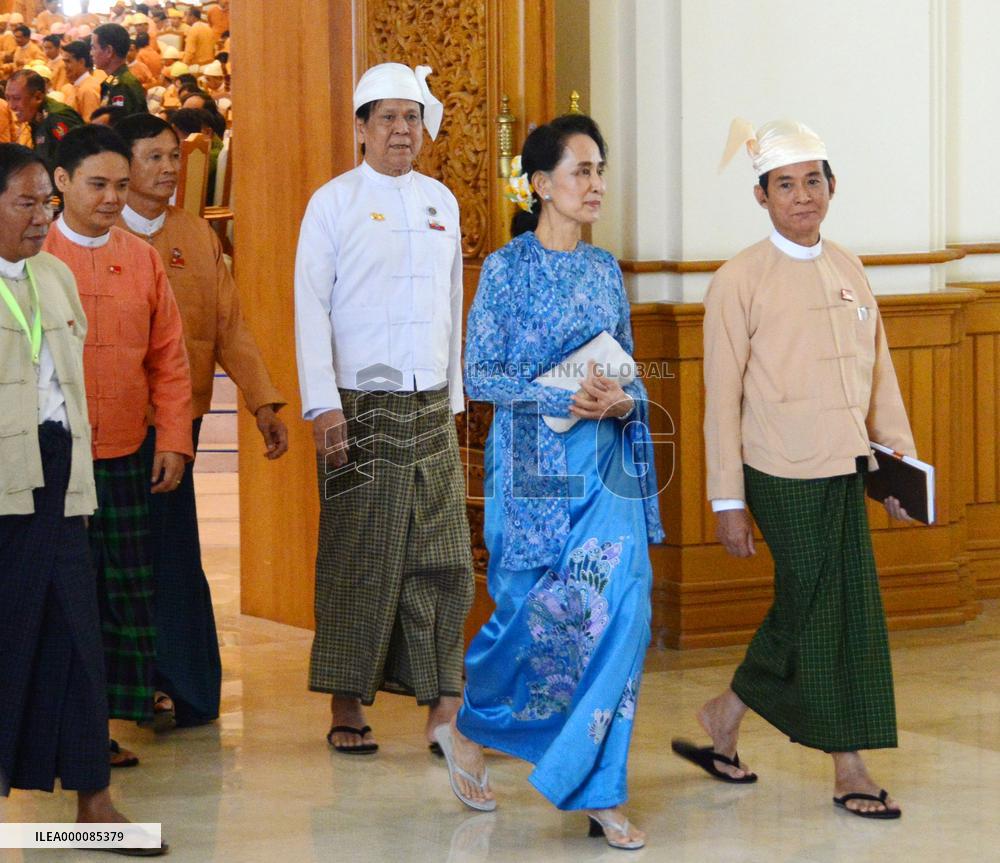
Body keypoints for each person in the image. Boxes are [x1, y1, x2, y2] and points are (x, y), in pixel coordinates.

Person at [673, 118, 917, 820]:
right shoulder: (737, 280)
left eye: (813, 180)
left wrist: (897, 471)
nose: (802, 195)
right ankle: (849, 766)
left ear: (832, 187)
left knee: (818, 605)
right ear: (761, 196)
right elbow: (719, 401)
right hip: (778, 472)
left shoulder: (848, 267)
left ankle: (725, 714)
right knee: (825, 612)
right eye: (786, 184)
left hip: (847, 467)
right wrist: (726, 499)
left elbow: (882, 379)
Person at [437, 114, 664, 851]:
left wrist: (622, 400)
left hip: (605, 465)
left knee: (622, 614)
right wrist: (558, 394)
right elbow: (480, 373)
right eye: (581, 171)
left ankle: (599, 788)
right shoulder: (507, 268)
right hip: (534, 464)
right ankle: (469, 726)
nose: (596, 184)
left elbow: (624, 359)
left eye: (601, 170)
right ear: (540, 184)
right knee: (535, 616)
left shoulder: (603, 269)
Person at [294, 62, 473, 755]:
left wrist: (454, 398)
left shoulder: (442, 202)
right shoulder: (332, 203)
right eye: (388, 118)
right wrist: (321, 405)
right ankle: (346, 703)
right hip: (357, 406)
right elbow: (310, 305)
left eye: (412, 117)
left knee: (445, 556)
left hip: (430, 404)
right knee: (358, 556)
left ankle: (442, 709)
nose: (402, 130)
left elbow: (451, 304)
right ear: (362, 127)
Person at [0, 142, 169, 857]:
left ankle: (94, 801)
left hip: (59, 474)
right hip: (3, 483)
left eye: (46, 202)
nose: (42, 218)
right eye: (25, 203)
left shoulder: (55, 277)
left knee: (77, 634)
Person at [115, 112, 288, 729]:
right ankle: (126, 690)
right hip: (107, 429)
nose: (168, 169)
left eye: (172, 157)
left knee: (174, 557)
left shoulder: (195, 235)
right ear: (122, 166)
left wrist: (263, 402)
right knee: (116, 559)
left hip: (176, 427)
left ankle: (183, 688)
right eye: (153, 158)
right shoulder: (95, 235)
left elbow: (229, 328)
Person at [43, 124, 193, 768]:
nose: (111, 198)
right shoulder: (33, 254)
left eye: (119, 186)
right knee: (67, 593)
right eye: (98, 184)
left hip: (129, 451)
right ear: (61, 182)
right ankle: (71, 729)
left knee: (125, 590)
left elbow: (169, 359)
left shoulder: (142, 257)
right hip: (54, 460)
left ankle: (104, 719)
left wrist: (176, 437)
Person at [5, 69, 84, 175]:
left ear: (38, 97)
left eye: (17, 98)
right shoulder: (36, 118)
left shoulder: (57, 117)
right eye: (8, 98)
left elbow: (80, 161)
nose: (11, 106)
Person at [92, 22, 148, 116]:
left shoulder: (122, 86)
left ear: (109, 51)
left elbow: (120, 126)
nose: (91, 53)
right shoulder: (115, 79)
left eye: (93, 48)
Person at [59, 39, 101, 121]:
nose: (64, 66)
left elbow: (90, 125)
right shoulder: (75, 86)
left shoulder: (88, 89)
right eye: (64, 62)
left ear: (81, 62)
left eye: (68, 61)